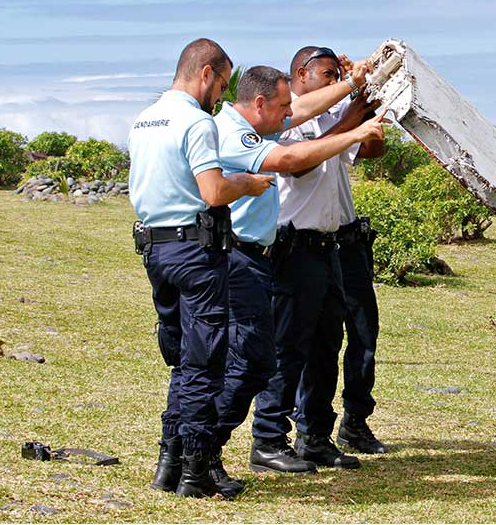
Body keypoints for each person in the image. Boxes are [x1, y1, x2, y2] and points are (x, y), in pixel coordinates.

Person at [211, 65, 385, 478]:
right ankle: (269, 439)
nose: (290, 110)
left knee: (327, 345)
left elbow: (306, 110)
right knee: (285, 350)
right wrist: (355, 126)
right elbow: (294, 162)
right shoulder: (253, 129)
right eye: (327, 75)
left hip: (331, 247)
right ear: (301, 74)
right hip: (286, 250)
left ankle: (314, 437)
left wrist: (355, 92)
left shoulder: (283, 115)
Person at [127, 38, 273, 498]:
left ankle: (168, 464)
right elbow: (212, 191)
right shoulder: (196, 121)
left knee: (182, 360)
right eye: (223, 85)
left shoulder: (143, 119)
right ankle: (195, 471)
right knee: (205, 364)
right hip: (195, 252)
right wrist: (246, 185)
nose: (222, 97)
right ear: (206, 72)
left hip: (155, 250)